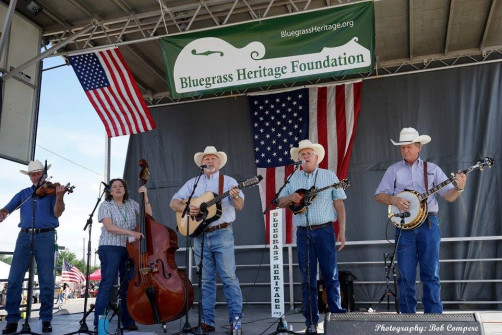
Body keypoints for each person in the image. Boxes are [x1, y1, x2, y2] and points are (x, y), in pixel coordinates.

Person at [375, 127, 467, 314]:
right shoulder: (394, 170)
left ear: (419, 147)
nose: (406, 150)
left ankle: (433, 318)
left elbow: (449, 196)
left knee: (430, 274)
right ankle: (408, 318)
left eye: (409, 146)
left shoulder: (432, 170)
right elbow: (379, 195)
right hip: (404, 228)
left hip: (429, 225)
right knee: (405, 276)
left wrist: (459, 188)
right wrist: (394, 200)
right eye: (403, 147)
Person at [170, 146, 244, 332]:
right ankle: (207, 322)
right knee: (206, 280)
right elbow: (174, 202)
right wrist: (188, 208)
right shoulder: (193, 182)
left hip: (222, 233)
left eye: (213, 158)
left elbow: (240, 205)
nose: (209, 161)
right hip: (199, 235)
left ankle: (236, 322)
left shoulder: (228, 182)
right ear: (202, 163)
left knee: (229, 278)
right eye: (207, 159)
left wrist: (234, 197)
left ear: (219, 162)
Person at [277, 139, 347, 333]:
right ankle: (311, 322)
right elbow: (279, 202)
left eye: (309, 154)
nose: (305, 157)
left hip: (325, 231)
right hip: (303, 233)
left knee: (330, 275)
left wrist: (342, 231)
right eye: (302, 154)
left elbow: (339, 204)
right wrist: (290, 198)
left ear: (316, 158)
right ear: (298, 158)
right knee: (307, 278)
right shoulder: (293, 179)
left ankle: (336, 318)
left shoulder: (329, 176)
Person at [0, 160, 67, 334]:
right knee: (14, 279)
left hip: (46, 236)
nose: (36, 176)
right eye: (33, 174)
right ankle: (12, 320)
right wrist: (3, 213)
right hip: (23, 236)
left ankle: (46, 320)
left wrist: (59, 196)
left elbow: (58, 212)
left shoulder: (53, 191)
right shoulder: (24, 193)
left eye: (38, 173)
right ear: (29, 176)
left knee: (46, 279)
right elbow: (7, 208)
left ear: (44, 173)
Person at [93, 178, 152, 331]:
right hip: (110, 247)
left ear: (125, 189)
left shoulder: (132, 204)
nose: (118, 188)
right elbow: (110, 227)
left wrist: (145, 196)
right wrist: (131, 232)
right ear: (110, 191)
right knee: (107, 285)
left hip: (130, 248)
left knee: (129, 286)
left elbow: (149, 217)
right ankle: (100, 325)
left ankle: (128, 321)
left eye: (121, 186)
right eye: (114, 187)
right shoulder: (106, 205)